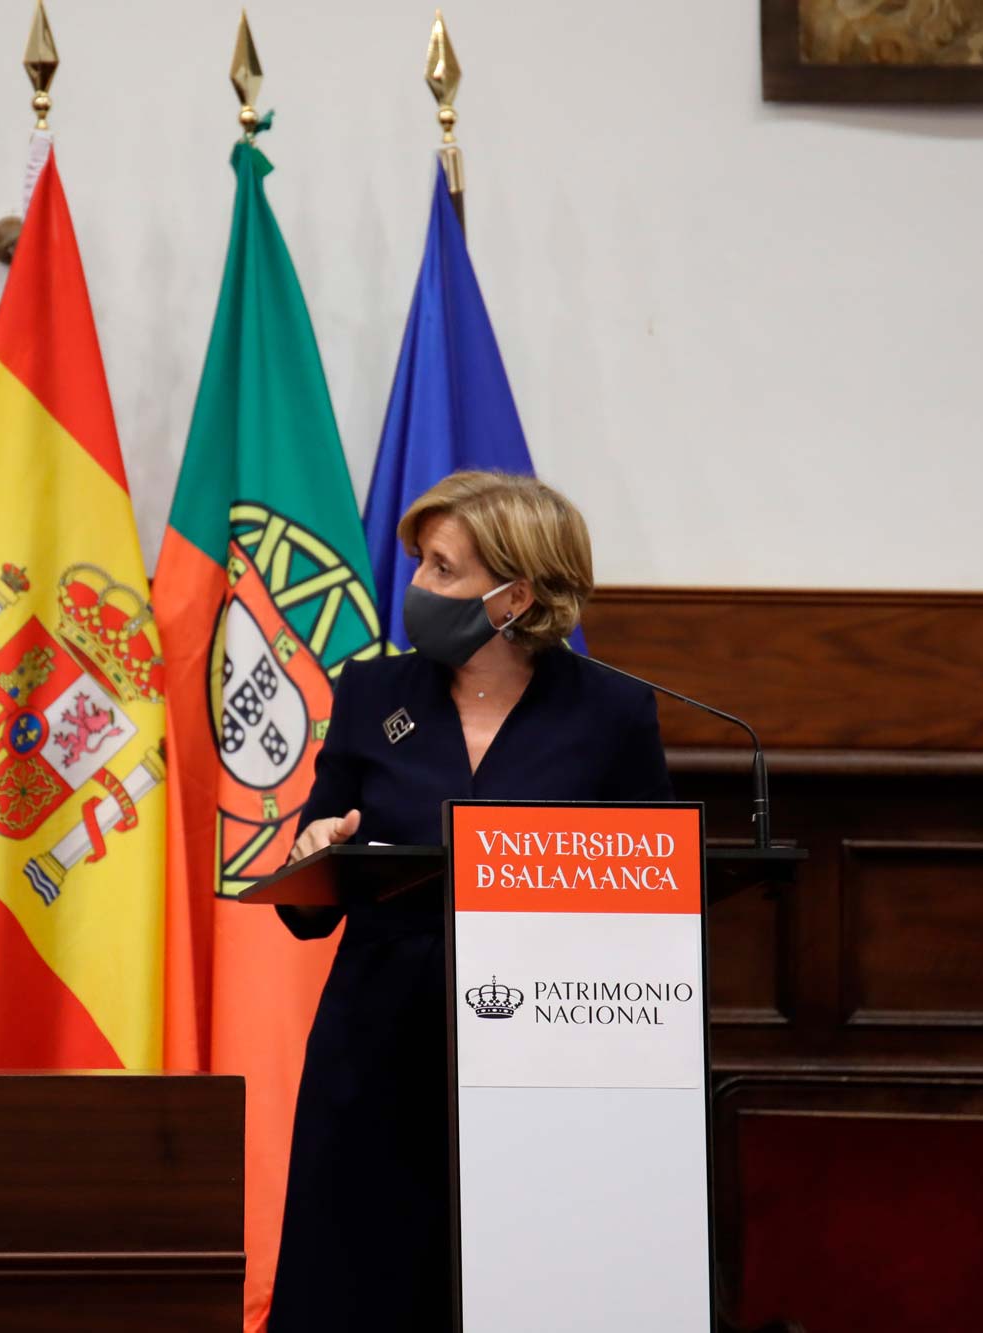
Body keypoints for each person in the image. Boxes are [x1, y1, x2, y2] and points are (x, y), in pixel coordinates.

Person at [267, 471, 673, 1333]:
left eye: (442, 569)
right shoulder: (373, 695)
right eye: (419, 562)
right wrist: (312, 855)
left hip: (545, 1060)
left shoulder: (613, 713)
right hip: (378, 1043)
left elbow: (650, 907)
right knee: (358, 1287)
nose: (415, 586)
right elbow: (309, 904)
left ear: (513, 594)